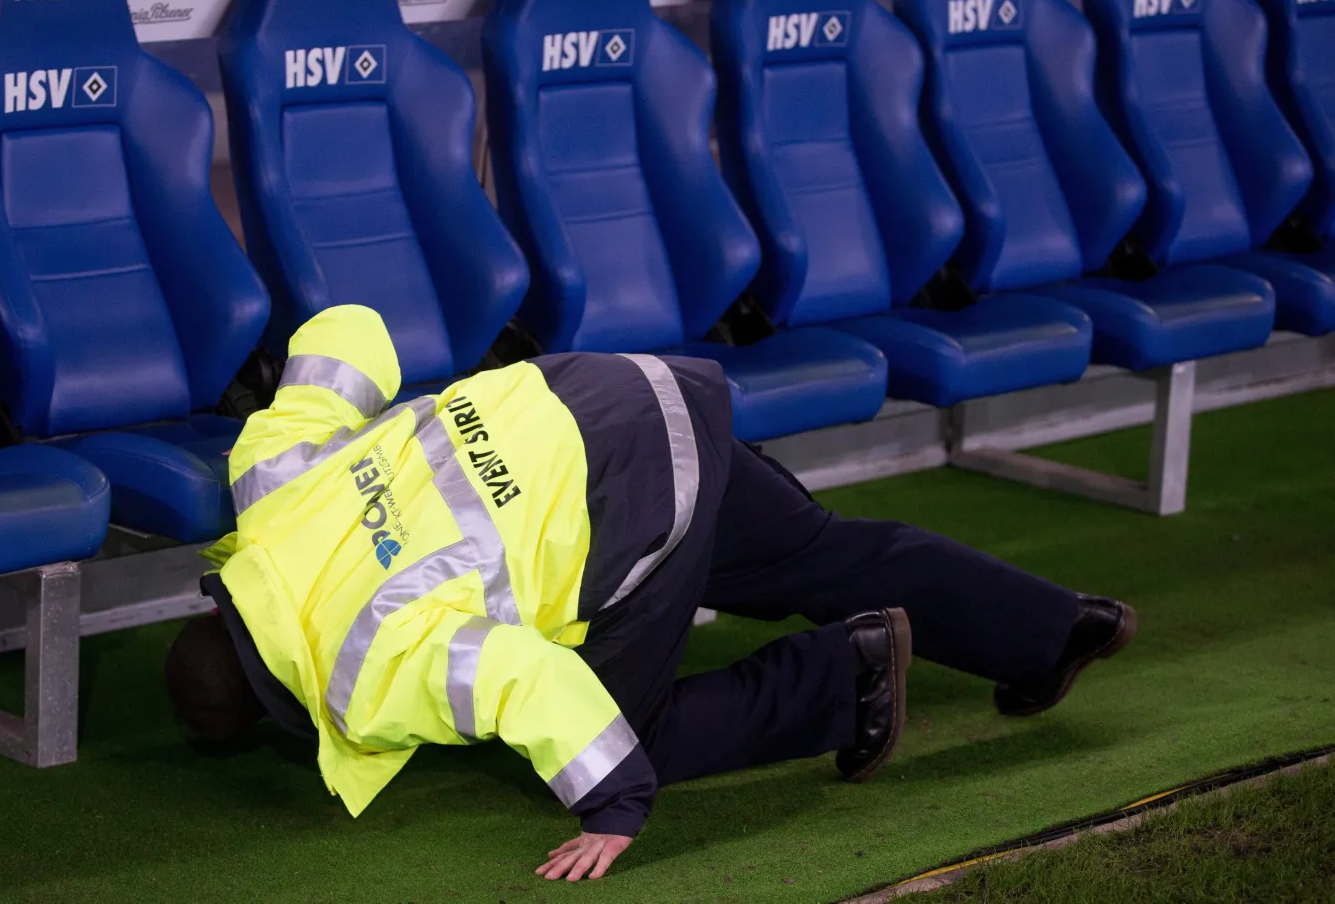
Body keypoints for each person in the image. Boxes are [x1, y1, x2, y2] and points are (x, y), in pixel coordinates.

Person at [165, 305, 1138, 883]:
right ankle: (1053, 629)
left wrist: (613, 803)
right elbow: (344, 336)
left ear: (273, 708)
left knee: (633, 724)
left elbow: (530, 683)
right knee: (825, 553)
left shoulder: (362, 671)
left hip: (633, 492)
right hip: (617, 390)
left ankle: (846, 676)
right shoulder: (267, 482)